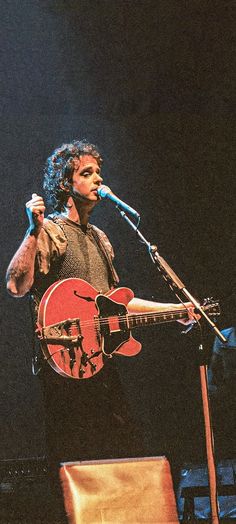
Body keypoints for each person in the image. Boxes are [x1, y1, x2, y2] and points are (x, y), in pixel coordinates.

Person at [6, 139, 197, 469]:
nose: (98, 179)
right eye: (87, 172)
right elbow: (15, 285)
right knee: (75, 459)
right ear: (66, 183)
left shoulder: (100, 238)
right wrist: (32, 231)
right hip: (64, 363)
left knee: (121, 449)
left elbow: (117, 304)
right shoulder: (50, 230)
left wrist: (174, 310)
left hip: (99, 360)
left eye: (99, 172)